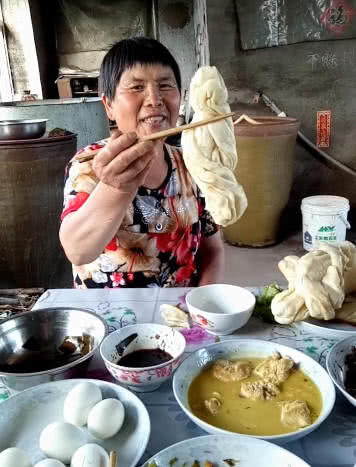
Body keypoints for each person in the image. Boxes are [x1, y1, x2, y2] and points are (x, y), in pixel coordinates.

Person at [59, 37, 225, 288]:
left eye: (166, 85)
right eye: (137, 87)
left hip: (180, 315)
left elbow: (212, 250)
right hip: (111, 318)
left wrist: (205, 305)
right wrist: (115, 187)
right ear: (109, 106)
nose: (154, 99)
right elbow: (78, 251)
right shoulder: (89, 164)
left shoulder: (193, 163)